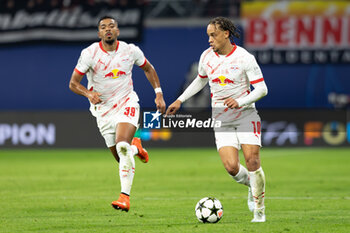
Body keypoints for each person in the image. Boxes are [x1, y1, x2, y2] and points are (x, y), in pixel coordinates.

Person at [166, 17, 268, 222]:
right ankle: (252, 184)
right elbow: (200, 80)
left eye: (213, 35)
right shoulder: (206, 57)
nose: (209, 40)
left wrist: (240, 101)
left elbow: (262, 89)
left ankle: (259, 211)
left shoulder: (244, 57)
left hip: (245, 114)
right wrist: (180, 100)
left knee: (252, 160)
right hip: (221, 118)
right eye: (208, 36)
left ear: (226, 34)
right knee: (231, 167)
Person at [69, 15, 166, 212]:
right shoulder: (89, 54)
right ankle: (136, 148)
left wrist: (158, 94)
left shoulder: (130, 51)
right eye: (103, 27)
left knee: (123, 146)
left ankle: (124, 198)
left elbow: (148, 68)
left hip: (126, 102)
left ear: (118, 31)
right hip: (103, 111)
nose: (108, 29)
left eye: (111, 26)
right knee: (122, 157)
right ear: (99, 33)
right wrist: (88, 93)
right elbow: (73, 84)